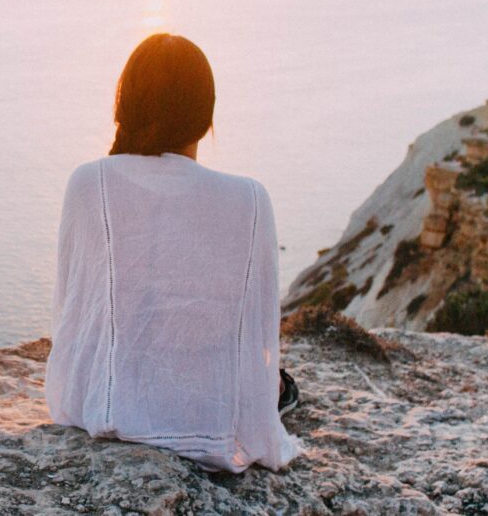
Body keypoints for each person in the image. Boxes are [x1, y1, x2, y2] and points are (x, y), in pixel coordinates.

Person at [44, 33, 303, 473]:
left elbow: (72, 317)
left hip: (108, 407)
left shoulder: (89, 183)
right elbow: (259, 329)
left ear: (124, 105)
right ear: (205, 116)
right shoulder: (251, 199)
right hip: (211, 413)